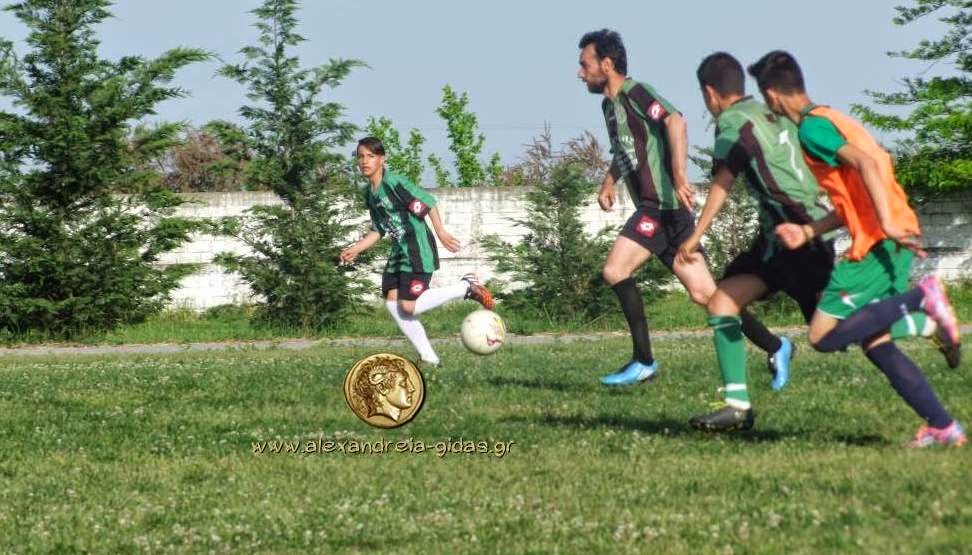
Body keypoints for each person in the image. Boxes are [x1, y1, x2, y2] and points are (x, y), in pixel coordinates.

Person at [749, 51, 964, 446]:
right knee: (877, 344)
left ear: (772, 95)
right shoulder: (833, 118)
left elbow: (867, 164)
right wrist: (809, 231)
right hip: (893, 235)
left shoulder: (812, 129)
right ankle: (943, 427)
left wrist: (885, 224)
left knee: (822, 336)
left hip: (878, 241)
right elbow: (857, 193)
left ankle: (922, 301)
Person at [577, 30, 788, 387]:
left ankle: (644, 361)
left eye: (585, 65)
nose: (580, 73)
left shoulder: (636, 93)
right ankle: (776, 345)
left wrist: (678, 175)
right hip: (666, 215)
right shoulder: (609, 107)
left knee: (615, 270)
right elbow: (627, 151)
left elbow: (675, 121)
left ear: (607, 64)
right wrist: (609, 181)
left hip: (660, 208)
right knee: (706, 295)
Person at [675, 52, 835, 431]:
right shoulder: (770, 112)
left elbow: (722, 181)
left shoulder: (732, 122)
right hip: (776, 240)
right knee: (722, 302)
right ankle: (737, 406)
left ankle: (919, 315)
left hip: (799, 237)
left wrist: (695, 236)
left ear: (709, 92)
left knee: (832, 336)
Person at [341, 137, 494, 367]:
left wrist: (441, 232)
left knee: (408, 306)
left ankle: (465, 287)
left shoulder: (394, 183)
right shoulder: (370, 193)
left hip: (416, 249)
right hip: (398, 253)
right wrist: (355, 249)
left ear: (382, 159)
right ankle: (429, 358)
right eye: (361, 156)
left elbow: (427, 203)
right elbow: (378, 230)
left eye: (371, 156)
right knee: (392, 303)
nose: (365, 161)